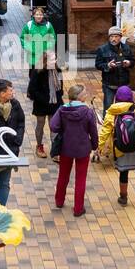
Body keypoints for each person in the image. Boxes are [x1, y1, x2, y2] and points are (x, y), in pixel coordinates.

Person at [99, 83, 135, 208]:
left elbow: (105, 131)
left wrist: (100, 146)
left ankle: (123, 197)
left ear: (117, 97)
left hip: (121, 148)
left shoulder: (112, 111)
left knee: (123, 173)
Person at [50, 83, 99, 217]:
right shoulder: (88, 111)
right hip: (83, 149)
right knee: (80, 178)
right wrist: (95, 146)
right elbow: (93, 131)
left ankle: (59, 201)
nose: (86, 95)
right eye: (85, 93)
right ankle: (78, 208)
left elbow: (53, 126)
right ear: (81, 97)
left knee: (63, 175)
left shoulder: (62, 110)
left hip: (66, 148)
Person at [27, 51, 63, 157]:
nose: (54, 61)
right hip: (41, 103)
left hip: (54, 103)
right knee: (40, 124)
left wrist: (59, 98)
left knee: (54, 126)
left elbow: (60, 87)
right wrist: (44, 99)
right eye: (52, 59)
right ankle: (39, 146)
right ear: (45, 60)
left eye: (55, 59)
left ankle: (55, 150)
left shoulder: (58, 70)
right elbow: (32, 90)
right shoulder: (37, 72)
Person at [95, 25, 134, 114]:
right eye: (111, 36)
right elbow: (98, 65)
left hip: (124, 85)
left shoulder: (126, 48)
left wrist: (129, 63)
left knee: (124, 109)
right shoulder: (102, 49)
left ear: (120, 37)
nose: (114, 39)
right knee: (108, 109)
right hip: (109, 85)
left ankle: (121, 126)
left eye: (116, 36)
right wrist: (108, 65)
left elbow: (133, 61)